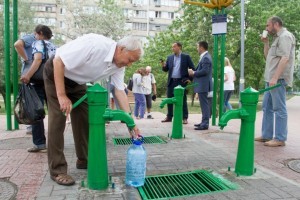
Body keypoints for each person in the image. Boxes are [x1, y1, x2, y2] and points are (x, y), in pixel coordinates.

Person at [43, 34, 143, 186]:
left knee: (85, 119)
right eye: (130, 60)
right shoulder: (94, 45)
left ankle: (84, 159)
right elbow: (59, 60)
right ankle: (58, 170)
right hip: (56, 74)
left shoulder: (118, 65)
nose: (129, 65)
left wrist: (130, 122)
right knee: (58, 121)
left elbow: (119, 91)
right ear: (122, 49)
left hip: (78, 83)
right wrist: (62, 95)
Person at [255, 16, 295, 147]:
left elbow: (285, 58)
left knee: (279, 108)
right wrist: (266, 43)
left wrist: (275, 77)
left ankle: (280, 138)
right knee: (267, 108)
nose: (266, 28)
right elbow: (268, 57)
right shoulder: (276, 38)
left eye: (268, 25)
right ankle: (267, 135)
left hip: (277, 79)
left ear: (276, 24)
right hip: (270, 79)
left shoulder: (285, 36)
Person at [20, 25, 56, 152]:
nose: (34, 36)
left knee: (36, 112)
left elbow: (37, 60)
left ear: (40, 33)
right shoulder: (53, 46)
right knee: (54, 112)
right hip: (52, 81)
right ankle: (55, 143)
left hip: (39, 82)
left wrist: (27, 75)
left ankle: (40, 144)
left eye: (35, 34)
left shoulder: (38, 43)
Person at [161, 42, 195, 124]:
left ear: (179, 47)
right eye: (172, 47)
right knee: (169, 99)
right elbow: (166, 69)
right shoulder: (170, 57)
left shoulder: (186, 57)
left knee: (182, 99)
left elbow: (193, 68)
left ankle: (184, 118)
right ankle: (169, 117)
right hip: (171, 81)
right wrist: (163, 65)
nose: (172, 48)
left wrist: (189, 79)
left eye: (174, 47)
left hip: (181, 82)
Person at [14, 33, 36, 135]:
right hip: (29, 73)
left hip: (30, 73)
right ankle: (29, 125)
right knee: (28, 99)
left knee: (30, 99)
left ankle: (30, 125)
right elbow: (17, 44)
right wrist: (27, 60)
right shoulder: (30, 37)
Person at [188, 41, 213, 130]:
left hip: (204, 85)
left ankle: (205, 123)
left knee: (204, 104)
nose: (197, 49)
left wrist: (193, 72)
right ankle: (203, 122)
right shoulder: (205, 57)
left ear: (201, 48)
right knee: (203, 104)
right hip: (203, 84)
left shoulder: (206, 58)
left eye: (197, 47)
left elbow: (205, 71)